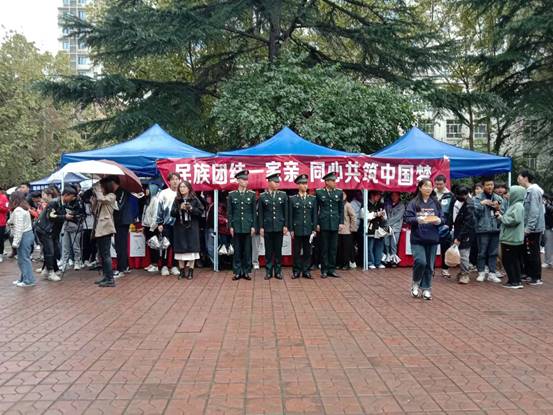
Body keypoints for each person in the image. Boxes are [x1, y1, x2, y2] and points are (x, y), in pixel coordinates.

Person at [404, 178, 443, 300]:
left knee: (430, 265)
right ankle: (415, 283)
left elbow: (443, 218)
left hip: (432, 238)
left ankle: (426, 288)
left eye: (430, 186)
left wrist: (439, 221)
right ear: (420, 188)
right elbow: (407, 218)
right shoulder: (414, 203)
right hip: (418, 238)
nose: (428, 188)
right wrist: (417, 220)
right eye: (425, 186)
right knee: (421, 262)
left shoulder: (436, 203)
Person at [35, 187, 78, 281]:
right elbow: (51, 216)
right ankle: (50, 272)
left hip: (52, 231)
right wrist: (65, 216)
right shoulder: (54, 202)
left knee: (53, 250)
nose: (73, 199)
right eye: (72, 197)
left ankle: (50, 270)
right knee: (50, 251)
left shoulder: (63, 203)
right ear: (66, 195)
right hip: (45, 230)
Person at [258, 173, 288, 280]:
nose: (277, 184)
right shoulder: (263, 196)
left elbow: (286, 212)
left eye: (278, 182)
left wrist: (285, 225)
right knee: (268, 251)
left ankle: (278, 272)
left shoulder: (283, 195)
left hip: (279, 226)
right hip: (268, 227)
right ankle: (269, 271)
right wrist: (261, 227)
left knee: (278, 250)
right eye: (275, 182)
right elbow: (260, 213)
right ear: (269, 183)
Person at [517, 169, 545, 285]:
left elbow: (534, 211)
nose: (518, 180)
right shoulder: (528, 191)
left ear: (525, 178)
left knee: (533, 252)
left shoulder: (533, 190)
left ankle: (536, 277)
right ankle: (529, 274)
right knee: (528, 252)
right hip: (530, 227)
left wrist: (529, 227)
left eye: (519, 177)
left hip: (534, 228)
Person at [171, 181, 204, 279]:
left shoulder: (194, 199)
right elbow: (172, 213)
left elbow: (201, 211)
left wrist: (191, 208)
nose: (182, 189)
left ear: (189, 188)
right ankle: (181, 271)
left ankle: (190, 272)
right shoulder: (177, 200)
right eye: (180, 187)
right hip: (180, 227)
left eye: (184, 187)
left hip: (192, 227)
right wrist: (179, 208)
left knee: (192, 249)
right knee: (180, 250)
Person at [472, 177, 503, 283]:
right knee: (482, 252)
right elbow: (475, 214)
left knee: (493, 252)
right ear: (483, 186)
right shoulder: (477, 198)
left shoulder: (498, 198)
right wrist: (482, 204)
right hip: (482, 229)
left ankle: (492, 273)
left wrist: (498, 208)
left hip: (495, 228)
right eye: (487, 185)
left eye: (491, 185)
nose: (490, 187)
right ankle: (481, 272)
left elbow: (504, 211)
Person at [227, 170, 256, 281]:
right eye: (243, 179)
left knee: (247, 250)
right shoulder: (232, 195)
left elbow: (254, 212)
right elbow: (230, 212)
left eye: (246, 180)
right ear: (238, 180)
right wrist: (231, 226)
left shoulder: (251, 194)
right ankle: (237, 272)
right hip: (237, 225)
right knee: (237, 250)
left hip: (248, 226)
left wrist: (253, 226)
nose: (245, 182)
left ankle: (246, 271)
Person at [496, 185, 526, 289]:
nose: (508, 194)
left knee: (509, 260)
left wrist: (501, 218)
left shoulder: (517, 206)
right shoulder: (516, 205)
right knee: (514, 260)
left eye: (510, 192)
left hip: (511, 237)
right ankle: (515, 280)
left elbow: (514, 220)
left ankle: (514, 282)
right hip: (512, 237)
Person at [316, 172, 344, 278]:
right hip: (324, 223)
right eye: (332, 181)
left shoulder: (339, 192)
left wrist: (341, 222)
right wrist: (317, 223)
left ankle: (332, 269)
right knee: (324, 248)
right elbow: (316, 209)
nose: (334, 182)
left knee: (333, 248)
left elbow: (341, 209)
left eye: (334, 180)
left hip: (335, 223)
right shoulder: (319, 192)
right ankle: (324, 270)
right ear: (326, 182)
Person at [289, 174, 317, 279]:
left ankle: (306, 271)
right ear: (298, 185)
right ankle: (296, 271)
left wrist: (314, 229)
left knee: (307, 251)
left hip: (308, 229)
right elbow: (291, 215)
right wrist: (291, 229)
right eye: (303, 183)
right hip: (297, 228)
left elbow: (314, 215)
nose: (305, 186)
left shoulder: (312, 199)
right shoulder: (292, 199)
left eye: (306, 183)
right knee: (296, 251)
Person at [91, 179, 117, 287]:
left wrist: (97, 189)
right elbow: (94, 211)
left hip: (106, 228)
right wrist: (94, 201)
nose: (100, 189)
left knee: (106, 254)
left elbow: (102, 199)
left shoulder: (111, 196)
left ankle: (110, 279)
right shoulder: (102, 197)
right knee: (102, 254)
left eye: (101, 186)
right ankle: (106, 276)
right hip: (100, 229)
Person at [8, 192, 36, 287]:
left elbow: (19, 228)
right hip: (27, 234)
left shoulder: (18, 210)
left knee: (24, 259)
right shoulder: (23, 208)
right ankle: (24, 278)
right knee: (23, 259)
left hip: (24, 235)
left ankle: (28, 280)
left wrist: (15, 242)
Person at [448, 186, 474, 284]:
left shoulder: (470, 205)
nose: (461, 197)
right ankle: (462, 271)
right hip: (456, 229)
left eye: (463, 195)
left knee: (464, 253)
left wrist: (459, 237)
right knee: (458, 252)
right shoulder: (455, 200)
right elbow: (451, 214)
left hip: (465, 232)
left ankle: (465, 274)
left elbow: (468, 223)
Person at [156, 172, 181, 276]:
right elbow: (159, 209)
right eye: (172, 179)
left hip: (179, 224)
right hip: (166, 224)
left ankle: (174, 266)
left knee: (176, 246)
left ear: (179, 180)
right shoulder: (163, 193)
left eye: (177, 179)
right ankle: (164, 266)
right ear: (169, 181)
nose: (175, 181)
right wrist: (159, 223)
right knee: (165, 245)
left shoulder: (182, 192)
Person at [111, 176, 134, 277]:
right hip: (118, 221)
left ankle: (121, 268)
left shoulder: (122, 191)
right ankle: (126, 266)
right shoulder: (116, 192)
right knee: (120, 244)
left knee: (120, 245)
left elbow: (118, 206)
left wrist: (110, 200)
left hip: (122, 221)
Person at [59, 186, 85, 272]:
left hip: (75, 226)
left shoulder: (79, 203)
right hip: (66, 226)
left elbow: (82, 215)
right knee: (65, 246)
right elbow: (61, 213)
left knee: (76, 246)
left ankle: (77, 261)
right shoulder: (64, 202)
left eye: (74, 196)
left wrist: (73, 215)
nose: (73, 197)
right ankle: (64, 263)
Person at [434, 175, 453, 277]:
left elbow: (452, 212)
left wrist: (449, 225)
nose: (438, 186)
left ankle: (445, 269)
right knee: (431, 247)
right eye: (437, 184)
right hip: (432, 224)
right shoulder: (431, 193)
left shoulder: (450, 195)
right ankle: (430, 269)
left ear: (445, 183)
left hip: (445, 225)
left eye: (440, 184)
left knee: (445, 247)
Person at [364, 190, 387, 269]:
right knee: (370, 246)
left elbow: (385, 217)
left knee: (379, 246)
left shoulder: (381, 205)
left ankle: (378, 262)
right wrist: (376, 214)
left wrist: (383, 216)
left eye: (379, 195)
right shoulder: (366, 204)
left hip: (380, 227)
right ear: (372, 195)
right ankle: (370, 262)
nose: (379, 197)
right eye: (377, 195)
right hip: (370, 228)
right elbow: (365, 216)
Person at [142, 183, 161, 273]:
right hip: (147, 226)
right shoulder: (148, 200)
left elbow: (155, 215)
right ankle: (152, 263)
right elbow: (145, 214)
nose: (146, 191)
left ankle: (155, 264)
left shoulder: (155, 200)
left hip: (152, 227)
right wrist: (143, 225)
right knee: (150, 246)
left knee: (154, 246)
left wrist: (152, 227)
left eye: (148, 189)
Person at [383, 192, 405, 267]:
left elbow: (398, 217)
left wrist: (387, 223)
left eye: (395, 195)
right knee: (386, 243)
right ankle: (387, 259)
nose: (394, 197)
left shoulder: (401, 205)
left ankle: (394, 260)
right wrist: (386, 223)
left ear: (399, 196)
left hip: (396, 227)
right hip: (387, 226)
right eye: (392, 195)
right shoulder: (387, 204)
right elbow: (385, 214)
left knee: (394, 243)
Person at [337, 192, 357, 270]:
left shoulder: (348, 205)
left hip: (346, 230)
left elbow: (353, 216)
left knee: (346, 249)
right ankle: (340, 263)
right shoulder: (337, 205)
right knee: (339, 248)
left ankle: (346, 264)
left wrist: (352, 228)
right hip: (338, 230)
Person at [544, 193, 553, 269]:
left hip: (549, 227)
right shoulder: (547, 206)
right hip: (549, 227)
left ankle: (548, 261)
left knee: (548, 244)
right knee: (548, 245)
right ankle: (548, 261)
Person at [0, 187, 9, 262]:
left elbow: (6, 209)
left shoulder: (4, 198)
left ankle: (0, 254)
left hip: (1, 222)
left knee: (0, 239)